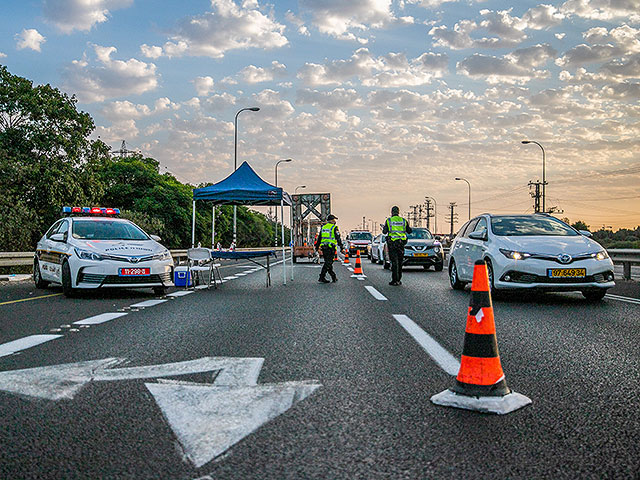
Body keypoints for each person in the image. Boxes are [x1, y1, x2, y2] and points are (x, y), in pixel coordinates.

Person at [383, 206, 412, 286]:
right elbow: (409, 231)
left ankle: (394, 280)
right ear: (398, 212)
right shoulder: (403, 220)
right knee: (400, 262)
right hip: (401, 244)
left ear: (392, 212)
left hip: (392, 243)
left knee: (394, 262)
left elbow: (384, 232)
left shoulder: (389, 221)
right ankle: (399, 279)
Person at [314, 214, 345, 283]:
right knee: (328, 263)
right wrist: (342, 248)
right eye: (334, 219)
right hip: (331, 248)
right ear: (331, 220)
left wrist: (316, 247)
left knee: (328, 263)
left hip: (324, 248)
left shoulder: (323, 228)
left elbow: (319, 238)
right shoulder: (334, 228)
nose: (335, 221)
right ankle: (321, 277)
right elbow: (338, 238)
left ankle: (333, 277)